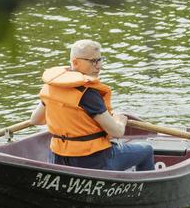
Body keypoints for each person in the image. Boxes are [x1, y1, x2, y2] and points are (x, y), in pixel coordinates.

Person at [30, 39, 154, 171]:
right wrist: (120, 120)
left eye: (100, 60)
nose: (99, 66)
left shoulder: (52, 87)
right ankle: (147, 191)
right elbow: (116, 132)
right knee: (147, 149)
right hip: (93, 161)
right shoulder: (88, 94)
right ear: (76, 62)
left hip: (58, 158)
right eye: (93, 61)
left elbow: (36, 120)